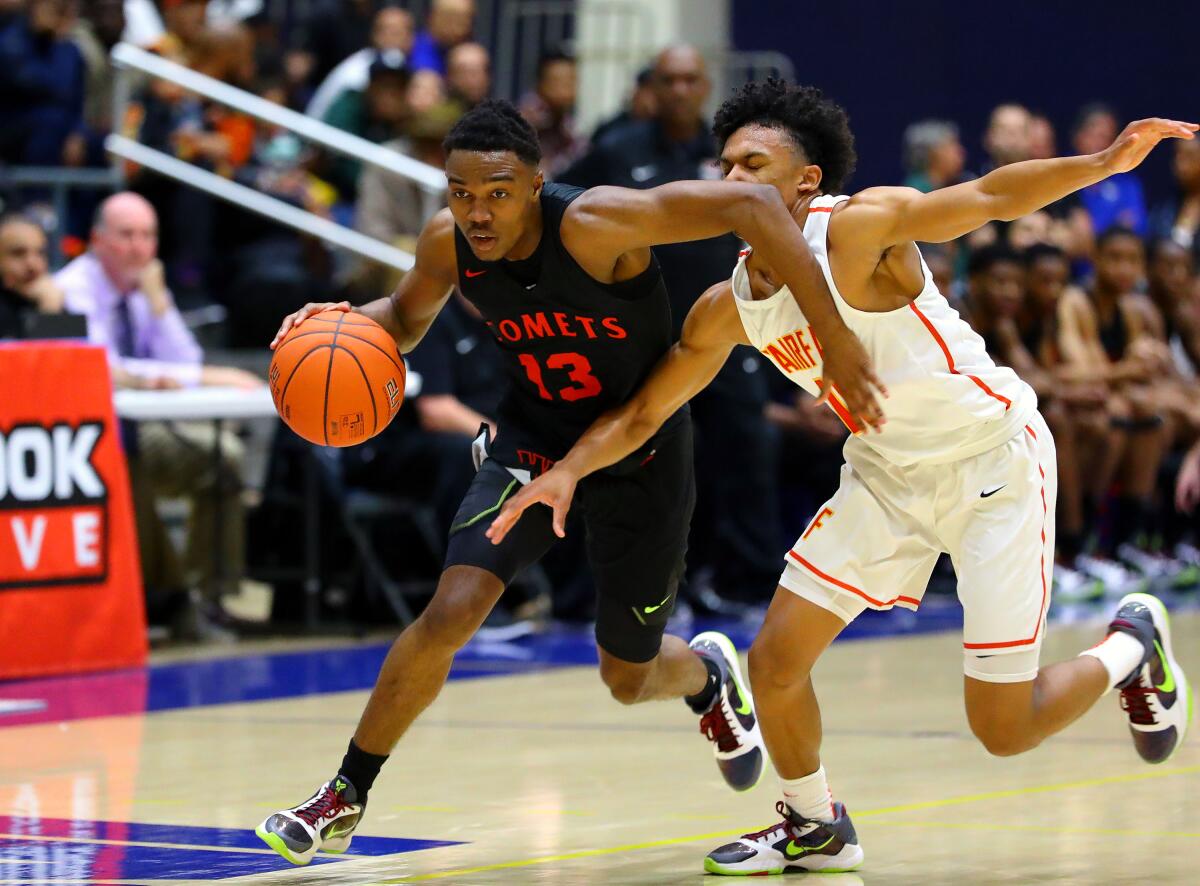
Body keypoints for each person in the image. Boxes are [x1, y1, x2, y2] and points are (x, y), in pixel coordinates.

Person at [490, 80, 1197, 874]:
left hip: (992, 465)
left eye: (752, 164)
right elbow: (649, 409)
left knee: (1006, 728)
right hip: (886, 480)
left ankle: (1130, 649)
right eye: (722, 166)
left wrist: (1104, 161)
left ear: (806, 182)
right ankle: (814, 824)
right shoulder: (728, 305)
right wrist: (572, 470)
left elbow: (993, 194)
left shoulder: (858, 230)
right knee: (774, 663)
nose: (729, 181)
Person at [256, 97, 884, 866]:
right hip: (535, 439)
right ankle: (345, 794)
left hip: (640, 442)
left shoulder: (597, 224)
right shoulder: (448, 244)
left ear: (534, 183)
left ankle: (706, 676)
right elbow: (405, 321)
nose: (477, 212)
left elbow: (755, 203)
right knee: (453, 608)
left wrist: (834, 332)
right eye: (460, 193)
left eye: (497, 192)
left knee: (628, 674)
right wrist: (333, 324)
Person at [561, 45, 784, 612]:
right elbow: (559, 209)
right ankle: (655, 588)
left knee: (748, 448)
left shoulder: (728, 155)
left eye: (691, 79)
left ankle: (747, 582)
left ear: (705, 87)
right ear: (652, 88)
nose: (681, 90)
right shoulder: (616, 150)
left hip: (726, 327)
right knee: (660, 458)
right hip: (643, 336)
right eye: (670, 80)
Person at [55, 193, 263, 628]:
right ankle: (170, 599)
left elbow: (184, 361)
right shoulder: (70, 289)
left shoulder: (145, 288)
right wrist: (196, 377)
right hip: (95, 434)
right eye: (127, 235)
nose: (139, 247)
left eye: (148, 236)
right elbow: (99, 365)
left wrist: (159, 304)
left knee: (223, 457)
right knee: (140, 465)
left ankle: (209, 598)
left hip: (146, 425)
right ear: (97, 239)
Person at [304, 4, 414, 121]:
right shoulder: (356, 73)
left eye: (398, 32)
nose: (392, 38)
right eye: (387, 31)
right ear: (374, 35)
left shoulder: (402, 64)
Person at [0, 214, 66, 338]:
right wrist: (48, 311)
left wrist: (51, 307)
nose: (32, 264)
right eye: (18, 253)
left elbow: (74, 352)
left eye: (40, 253)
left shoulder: (51, 297)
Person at [519, 51, 581, 178]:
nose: (567, 89)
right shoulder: (526, 121)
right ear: (541, 84)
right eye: (559, 82)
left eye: (571, 81)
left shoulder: (569, 124)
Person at [408, 0, 474, 76]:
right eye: (452, 19)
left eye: (465, 21)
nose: (460, 29)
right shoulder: (414, 50)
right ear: (433, 17)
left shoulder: (467, 54)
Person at [900, 119, 967, 192]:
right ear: (932, 153)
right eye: (951, 145)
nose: (961, 152)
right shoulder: (915, 191)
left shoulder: (962, 181)